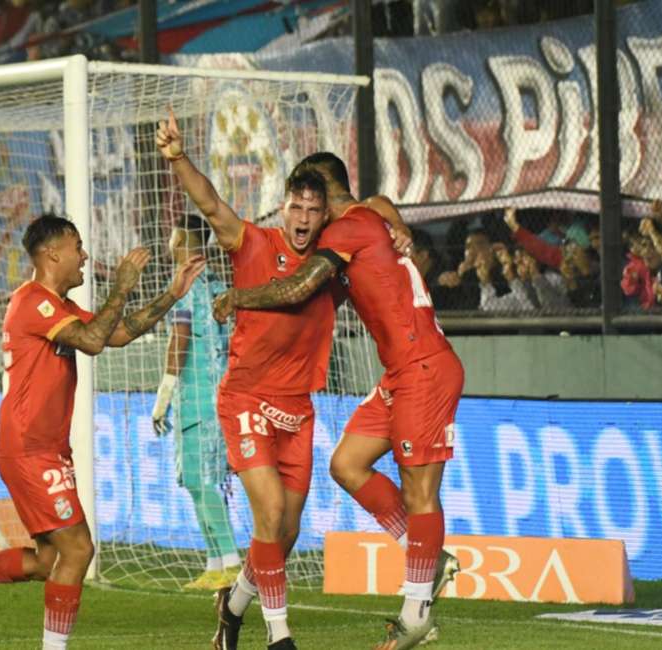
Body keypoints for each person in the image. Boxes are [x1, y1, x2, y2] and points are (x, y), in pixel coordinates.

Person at [155, 112, 410, 650]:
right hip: (246, 399)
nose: (303, 217)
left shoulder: (332, 263)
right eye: (296, 207)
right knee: (269, 514)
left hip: (297, 409)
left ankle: (232, 608)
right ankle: (279, 636)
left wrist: (399, 226)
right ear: (284, 207)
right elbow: (210, 203)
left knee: (285, 533)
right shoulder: (251, 241)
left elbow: (373, 207)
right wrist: (178, 158)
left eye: (314, 211)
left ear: (324, 217)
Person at [0, 214, 206, 650]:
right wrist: (122, 286)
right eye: (77, 247)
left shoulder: (59, 307)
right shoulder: (34, 301)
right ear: (52, 254)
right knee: (79, 549)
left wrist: (171, 295)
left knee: (48, 560)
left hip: (45, 448)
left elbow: (115, 334)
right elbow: (92, 341)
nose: (84, 256)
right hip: (29, 448)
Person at [214, 153, 463, 650]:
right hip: (400, 372)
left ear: (327, 198)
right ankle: (425, 555)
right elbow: (378, 203)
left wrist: (239, 296)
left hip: (424, 368)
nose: (308, 216)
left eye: (315, 204)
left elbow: (301, 287)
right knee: (347, 464)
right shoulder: (368, 217)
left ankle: (416, 612)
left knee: (419, 492)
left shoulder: (348, 229)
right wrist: (396, 221)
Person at [151, 214, 240, 591]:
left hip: (197, 397)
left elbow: (181, 336)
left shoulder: (186, 284)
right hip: (216, 394)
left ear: (183, 241)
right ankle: (215, 563)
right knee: (196, 480)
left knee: (201, 481)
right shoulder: (217, 283)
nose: (169, 244)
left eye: (173, 237)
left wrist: (164, 394)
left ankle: (233, 562)